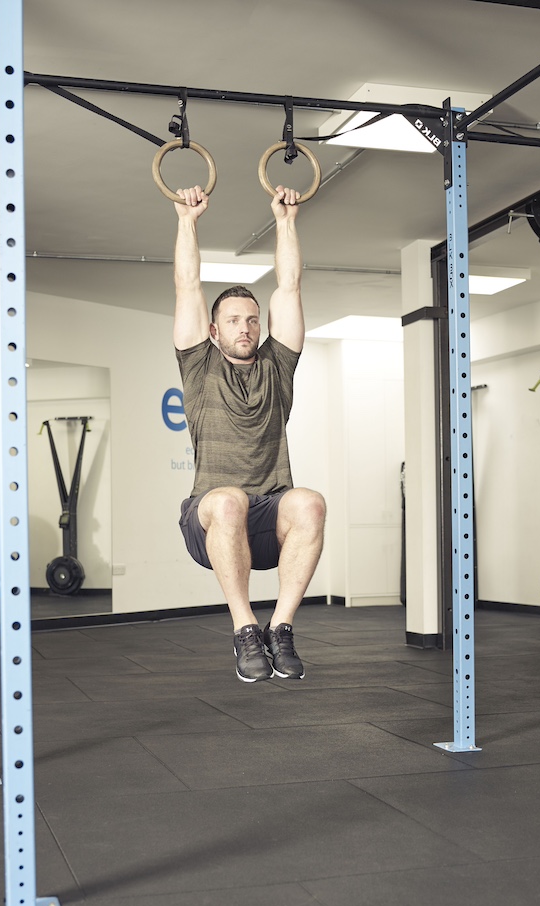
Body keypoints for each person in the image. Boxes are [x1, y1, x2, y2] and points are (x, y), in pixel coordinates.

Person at [173, 182, 326, 683]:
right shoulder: (199, 368)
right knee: (229, 499)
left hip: (267, 520)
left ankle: (279, 629)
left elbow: (290, 287)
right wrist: (187, 221)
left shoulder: (278, 368)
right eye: (234, 320)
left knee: (309, 501)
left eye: (252, 320)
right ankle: (244, 629)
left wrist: (285, 221)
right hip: (210, 521)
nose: (245, 327)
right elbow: (187, 288)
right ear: (213, 332)